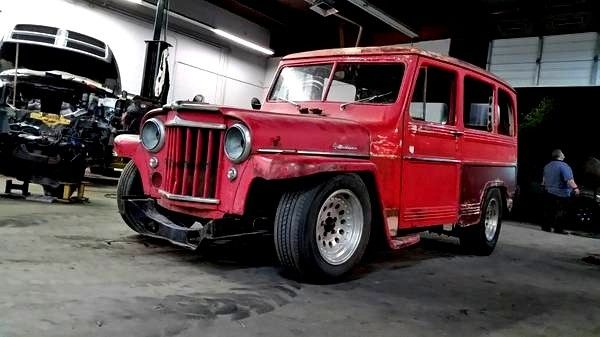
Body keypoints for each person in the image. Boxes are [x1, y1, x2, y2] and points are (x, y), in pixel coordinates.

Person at [541, 149, 580, 233]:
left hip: (548, 192)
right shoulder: (564, 166)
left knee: (549, 210)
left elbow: (544, 180)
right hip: (561, 193)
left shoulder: (547, 166)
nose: (564, 155)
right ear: (559, 155)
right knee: (561, 212)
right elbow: (569, 180)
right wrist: (575, 188)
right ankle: (558, 229)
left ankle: (546, 227)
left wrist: (544, 188)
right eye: (563, 153)